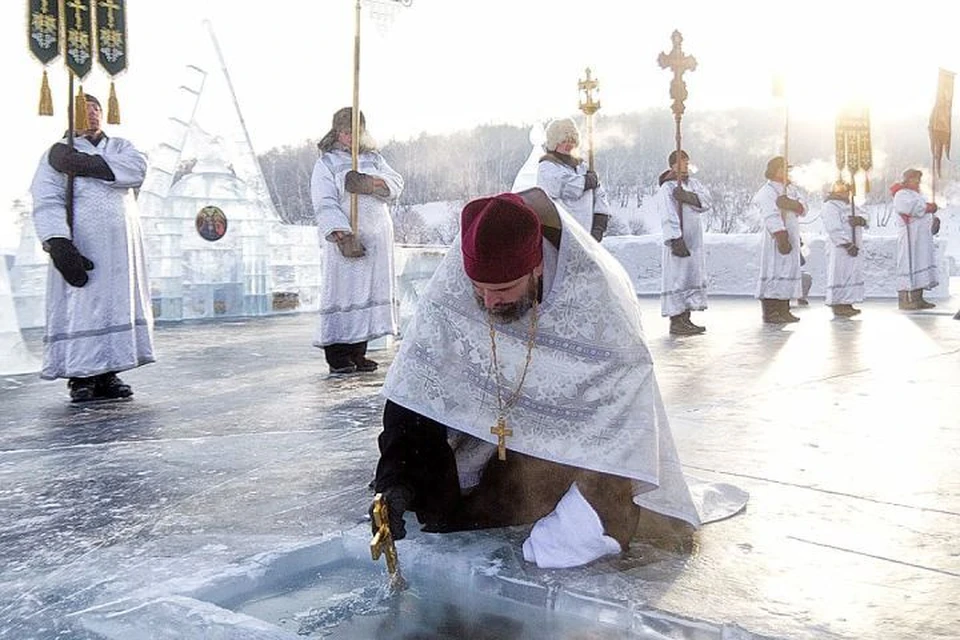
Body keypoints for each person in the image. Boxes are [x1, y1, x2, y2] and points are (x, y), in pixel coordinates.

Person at [371, 189, 745, 569]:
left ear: (536, 268)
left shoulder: (597, 298)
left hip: (560, 458)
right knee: (440, 510)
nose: (487, 302)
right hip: (481, 452)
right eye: (478, 289)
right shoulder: (456, 280)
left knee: (596, 514)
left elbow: (622, 416)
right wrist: (399, 478)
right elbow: (415, 387)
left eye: (502, 289)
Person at [29, 93, 153, 402]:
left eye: (96, 109)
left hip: (120, 250)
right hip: (82, 242)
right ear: (71, 117)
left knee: (113, 306)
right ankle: (81, 376)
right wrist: (58, 242)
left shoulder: (120, 146)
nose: (93, 115)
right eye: (84, 110)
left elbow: (136, 169)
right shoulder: (56, 154)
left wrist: (84, 165)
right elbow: (47, 200)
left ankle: (109, 373)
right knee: (82, 307)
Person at [311, 107, 404, 374]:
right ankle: (338, 355)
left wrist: (370, 182)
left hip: (375, 239)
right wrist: (341, 235)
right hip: (348, 237)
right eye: (345, 132)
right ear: (337, 132)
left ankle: (359, 351)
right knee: (344, 291)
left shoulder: (373, 159)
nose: (350, 137)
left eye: (355, 132)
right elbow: (324, 201)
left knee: (367, 290)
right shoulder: (326, 163)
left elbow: (396, 184)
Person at [655, 149, 711, 335]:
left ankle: (686, 317)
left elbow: (707, 201)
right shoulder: (667, 188)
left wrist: (688, 197)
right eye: (681, 162)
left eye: (687, 162)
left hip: (694, 241)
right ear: (672, 165)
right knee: (678, 278)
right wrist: (675, 238)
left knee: (689, 277)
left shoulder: (693, 184)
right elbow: (668, 214)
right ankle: (677, 321)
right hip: (679, 240)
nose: (685, 165)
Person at [536, 117, 612, 242]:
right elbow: (562, 186)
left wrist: (599, 223)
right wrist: (585, 182)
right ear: (554, 142)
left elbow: (599, 195)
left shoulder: (583, 168)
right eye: (564, 140)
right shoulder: (547, 167)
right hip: (559, 235)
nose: (569, 144)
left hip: (586, 235)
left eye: (572, 140)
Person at [753, 156, 807, 323]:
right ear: (775, 170)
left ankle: (784, 308)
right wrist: (780, 235)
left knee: (788, 271)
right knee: (774, 270)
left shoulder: (790, 189)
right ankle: (770, 311)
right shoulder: (767, 191)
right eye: (783, 169)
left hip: (791, 233)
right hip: (777, 237)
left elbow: (804, 208)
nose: (786, 172)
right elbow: (770, 214)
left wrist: (792, 204)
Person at [891, 168, 939, 310]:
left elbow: (923, 212)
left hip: (921, 237)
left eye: (918, 178)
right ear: (907, 179)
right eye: (914, 178)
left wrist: (933, 220)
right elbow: (908, 208)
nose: (917, 181)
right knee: (909, 263)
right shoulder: (901, 194)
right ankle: (905, 300)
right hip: (910, 235)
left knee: (920, 264)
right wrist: (927, 207)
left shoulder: (917, 194)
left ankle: (918, 298)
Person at [821, 181, 867, 317]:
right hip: (840, 248)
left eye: (846, 190)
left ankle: (847, 302)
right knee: (840, 274)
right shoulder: (830, 206)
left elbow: (866, 215)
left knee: (851, 274)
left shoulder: (852, 205)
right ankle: (838, 303)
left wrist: (861, 220)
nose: (844, 193)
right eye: (841, 190)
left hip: (855, 244)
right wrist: (846, 244)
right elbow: (833, 227)